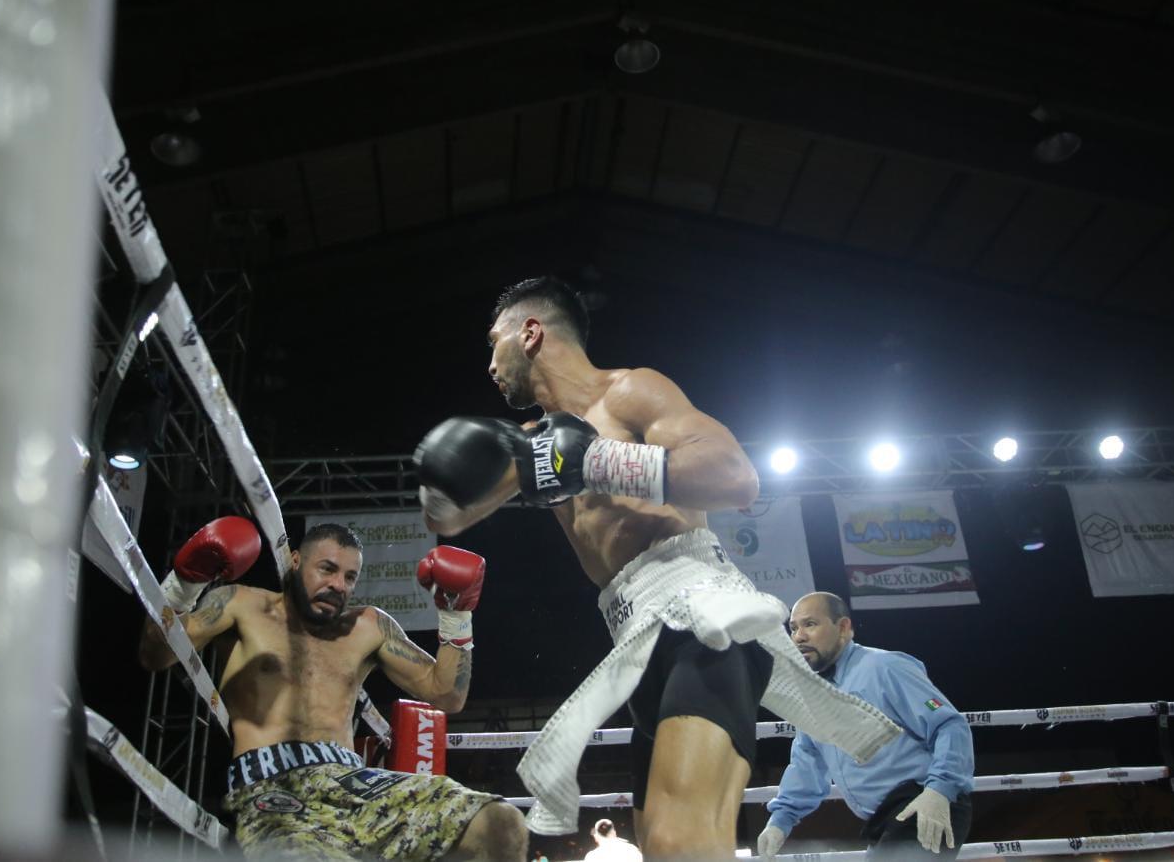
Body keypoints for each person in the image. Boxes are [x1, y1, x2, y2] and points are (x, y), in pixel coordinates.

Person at [413, 276, 900, 860]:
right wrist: (441, 490)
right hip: (637, 642)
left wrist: (600, 460)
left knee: (679, 844)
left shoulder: (628, 393)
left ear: (530, 332)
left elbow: (735, 478)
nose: (489, 362)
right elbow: (449, 517)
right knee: (666, 847)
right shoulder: (528, 445)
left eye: (495, 341)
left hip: (698, 615)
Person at [138, 517, 528, 861]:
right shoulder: (243, 604)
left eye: (349, 577)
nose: (337, 585)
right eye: (326, 569)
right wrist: (186, 584)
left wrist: (456, 614)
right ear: (295, 561)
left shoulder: (368, 626)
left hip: (353, 783)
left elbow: (447, 695)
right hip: (274, 790)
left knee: (500, 823)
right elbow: (156, 655)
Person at [758, 592, 974, 860]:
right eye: (793, 627)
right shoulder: (813, 693)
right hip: (885, 819)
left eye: (810, 624)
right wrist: (780, 821)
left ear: (844, 628)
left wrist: (939, 790)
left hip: (924, 802)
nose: (799, 636)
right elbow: (807, 762)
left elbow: (949, 724)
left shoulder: (885, 667)